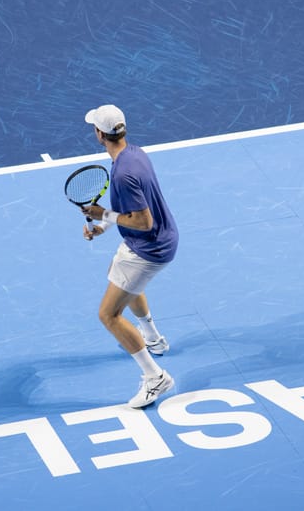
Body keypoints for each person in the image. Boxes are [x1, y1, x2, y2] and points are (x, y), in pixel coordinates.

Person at [80, 104, 179, 409]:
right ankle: (152, 338)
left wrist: (103, 213)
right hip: (152, 240)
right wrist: (103, 226)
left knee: (108, 315)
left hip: (149, 247)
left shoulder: (122, 173)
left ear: (100, 134)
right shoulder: (134, 153)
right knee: (118, 274)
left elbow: (143, 221)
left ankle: (155, 377)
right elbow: (133, 211)